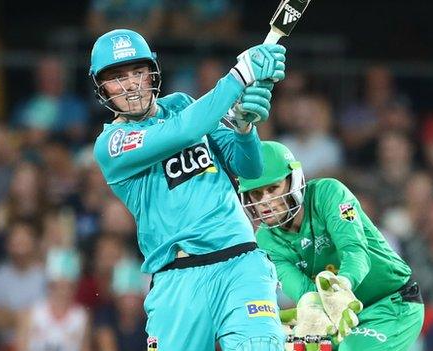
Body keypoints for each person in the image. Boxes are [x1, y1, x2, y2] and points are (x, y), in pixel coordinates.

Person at [90, 28, 287, 350]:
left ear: (152, 74)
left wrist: (244, 126)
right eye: (117, 77)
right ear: (102, 88)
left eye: (137, 72)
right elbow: (184, 131)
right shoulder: (111, 145)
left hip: (240, 262)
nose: (129, 85)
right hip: (177, 278)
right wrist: (240, 76)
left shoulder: (183, 104)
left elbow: (250, 168)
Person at [237, 141, 424, 350]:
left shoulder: (329, 193)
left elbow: (355, 251)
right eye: (257, 193)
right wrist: (311, 310)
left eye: (273, 188)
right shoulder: (265, 240)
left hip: (391, 304)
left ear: (293, 180)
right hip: (339, 318)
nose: (266, 201)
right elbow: (305, 293)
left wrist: (340, 287)